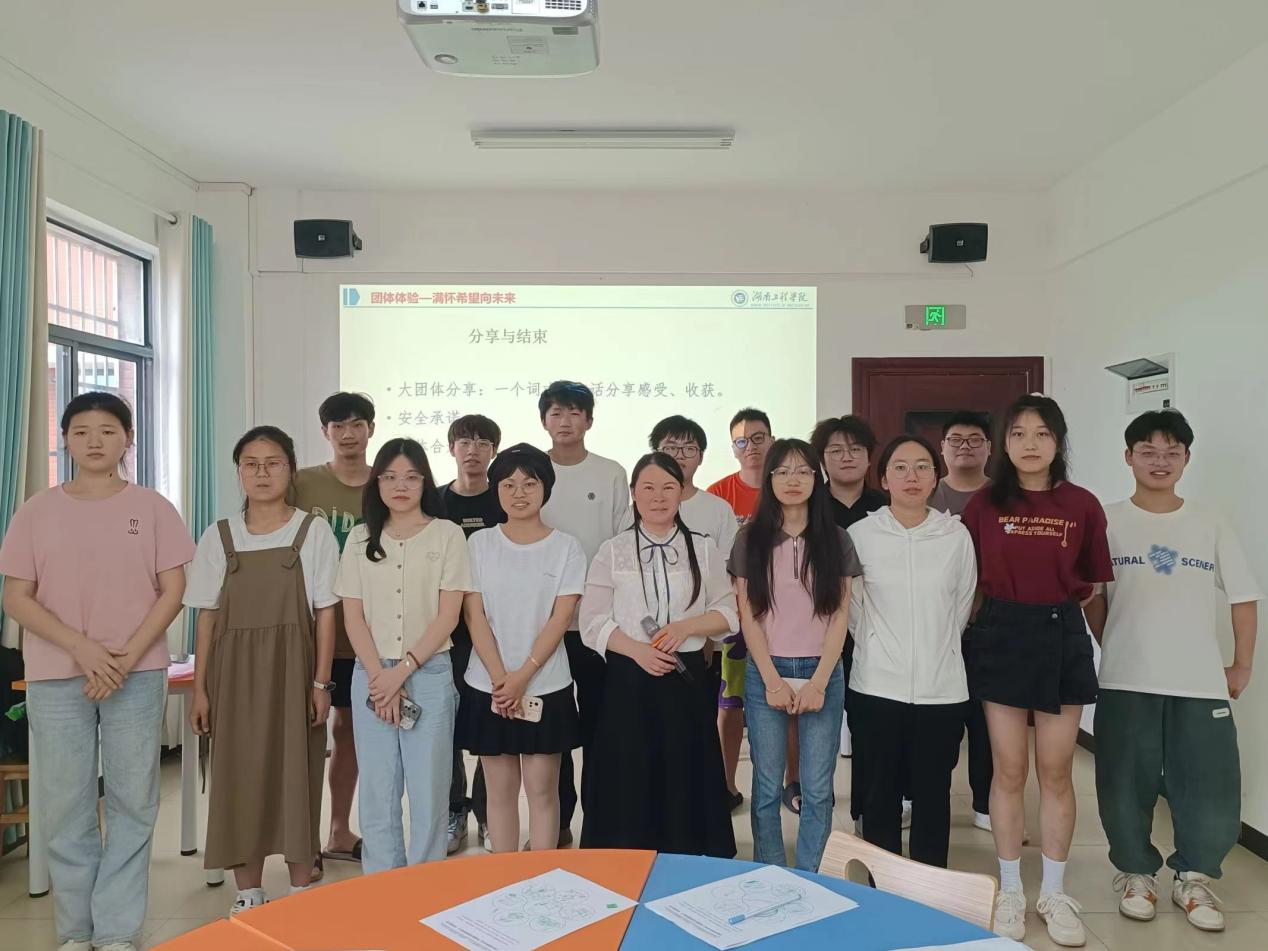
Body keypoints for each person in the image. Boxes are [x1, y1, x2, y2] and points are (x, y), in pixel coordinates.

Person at [0, 393, 193, 951]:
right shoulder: (36, 511)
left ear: (127, 439)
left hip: (137, 672)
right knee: (67, 804)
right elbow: (17, 596)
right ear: (65, 439)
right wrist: (84, 650)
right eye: (81, 430)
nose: (94, 440)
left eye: (108, 430)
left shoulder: (152, 508)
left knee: (134, 801)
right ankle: (75, 931)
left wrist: (124, 658)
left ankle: (116, 931)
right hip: (57, 673)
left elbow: (173, 590)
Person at [1085, 411, 1260, 932]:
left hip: (1198, 680)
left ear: (1186, 459)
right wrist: (1116, 644)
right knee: (1122, 783)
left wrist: (1242, 664)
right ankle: (1136, 873)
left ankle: (1196, 877)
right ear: (1128, 457)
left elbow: (1244, 597)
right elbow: (1094, 597)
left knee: (1209, 783)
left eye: (1171, 452)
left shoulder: (1210, 521)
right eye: (1147, 451)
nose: (1159, 461)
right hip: (1125, 678)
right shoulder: (1106, 521)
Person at [961, 395, 1113, 947]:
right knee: (1007, 769)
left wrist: (1108, 647)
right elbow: (968, 586)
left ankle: (1053, 891)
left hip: (1061, 632)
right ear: (1004, 443)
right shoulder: (982, 505)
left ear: (1058, 441)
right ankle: (1010, 890)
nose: (1030, 443)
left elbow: (1092, 587)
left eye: (1042, 433)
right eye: (1019, 433)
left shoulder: (1082, 505)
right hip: (1000, 632)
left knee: (1056, 770)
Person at [186, 426, 339, 915]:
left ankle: (300, 891)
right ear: (239, 473)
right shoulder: (218, 535)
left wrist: (320, 683)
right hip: (232, 677)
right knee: (237, 775)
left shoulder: (312, 531)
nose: (262, 473)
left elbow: (326, 613)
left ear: (290, 470)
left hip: (293, 671)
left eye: (273, 463)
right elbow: (206, 616)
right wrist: (201, 690)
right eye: (250, 464)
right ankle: (248, 892)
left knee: (298, 773)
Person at [579, 452, 738, 857]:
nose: (658, 496)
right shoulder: (612, 550)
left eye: (668, 487)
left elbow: (728, 613)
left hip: (687, 680)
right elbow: (591, 621)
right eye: (648, 487)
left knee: (686, 771)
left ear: (681, 492)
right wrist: (637, 651)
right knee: (629, 771)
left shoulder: (703, 549)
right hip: (629, 679)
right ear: (633, 493)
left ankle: (685, 857)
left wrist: (687, 627)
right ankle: (629, 860)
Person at [335, 438, 471, 872]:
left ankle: (426, 888)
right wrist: (381, 677)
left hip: (428, 673)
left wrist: (402, 672)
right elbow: (353, 616)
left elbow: (448, 615)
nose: (400, 486)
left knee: (429, 789)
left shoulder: (447, 534)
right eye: (390, 477)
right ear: (376, 483)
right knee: (378, 789)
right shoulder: (359, 538)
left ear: (424, 482)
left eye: (411, 477)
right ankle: (382, 885)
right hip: (371, 673)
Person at [846, 435, 976, 869]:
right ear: (883, 478)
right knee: (879, 794)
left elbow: (961, 605)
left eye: (922, 466)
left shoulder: (955, 536)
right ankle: (883, 888)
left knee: (934, 795)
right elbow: (853, 610)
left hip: (942, 689)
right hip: (876, 686)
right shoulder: (861, 535)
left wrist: (937, 649)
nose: (912, 476)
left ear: (936, 476)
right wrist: (879, 647)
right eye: (900, 467)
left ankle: (928, 886)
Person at [731, 438, 859, 872]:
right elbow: (749, 617)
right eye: (782, 471)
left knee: (818, 788)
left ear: (816, 479)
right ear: (768, 479)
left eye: (803, 471)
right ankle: (768, 872)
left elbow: (840, 617)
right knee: (766, 786)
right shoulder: (750, 539)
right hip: (767, 670)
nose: (793, 480)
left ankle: (811, 875)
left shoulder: (836, 540)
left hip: (823, 671)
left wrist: (820, 682)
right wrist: (771, 680)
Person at [458, 444, 585, 853]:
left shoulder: (566, 547)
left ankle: (542, 879)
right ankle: (505, 878)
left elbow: (560, 619)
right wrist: (502, 680)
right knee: (499, 793)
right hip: (488, 685)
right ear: (495, 489)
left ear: (545, 488)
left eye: (529, 484)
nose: (519, 493)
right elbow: (474, 616)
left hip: (545, 685)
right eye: (508, 484)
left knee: (543, 791)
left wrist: (522, 676)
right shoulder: (479, 544)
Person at [537, 381, 631, 846]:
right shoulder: (529, 471)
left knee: (599, 726)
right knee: (552, 730)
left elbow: (622, 547)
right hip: (543, 625)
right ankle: (555, 824)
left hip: (597, 626)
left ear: (589, 420)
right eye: (556, 413)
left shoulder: (610, 473)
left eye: (575, 412)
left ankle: (599, 825)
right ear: (544, 420)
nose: (565, 421)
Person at [293, 391, 374, 878]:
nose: (348, 434)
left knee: (350, 734)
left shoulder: (385, 484)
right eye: (338, 425)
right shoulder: (302, 483)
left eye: (357, 424)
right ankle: (301, 840)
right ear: (325, 431)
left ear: (371, 430)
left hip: (365, 636)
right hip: (308, 633)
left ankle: (339, 831)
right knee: (305, 735)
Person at [649, 415, 742, 808]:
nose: (680, 455)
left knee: (698, 728)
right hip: (647, 645)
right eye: (671, 447)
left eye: (689, 448)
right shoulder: (638, 507)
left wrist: (704, 636)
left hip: (702, 644)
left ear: (701, 456)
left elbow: (727, 577)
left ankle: (701, 804)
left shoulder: (717, 509)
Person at [810, 415, 888, 824]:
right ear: (822, 459)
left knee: (868, 725)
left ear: (869, 457)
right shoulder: (807, 504)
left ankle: (865, 810)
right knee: (815, 724)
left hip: (872, 630)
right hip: (815, 630)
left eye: (855, 449)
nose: (846, 457)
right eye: (836, 450)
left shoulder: (885, 506)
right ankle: (811, 801)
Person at [438, 414, 505, 853]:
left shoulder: (505, 499)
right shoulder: (434, 501)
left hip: (492, 631)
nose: (473, 450)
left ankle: (487, 812)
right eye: (465, 441)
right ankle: (453, 810)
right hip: (442, 634)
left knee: (487, 722)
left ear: (493, 451)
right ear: (451, 449)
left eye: (483, 442)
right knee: (444, 725)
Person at [929, 410, 995, 835]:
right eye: (955, 439)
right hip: (935, 627)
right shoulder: (925, 494)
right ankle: (923, 796)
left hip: (991, 628)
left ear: (990, 448)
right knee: (938, 720)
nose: (964, 446)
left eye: (974, 439)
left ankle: (986, 803)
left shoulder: (1004, 497)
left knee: (987, 720)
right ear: (942, 448)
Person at [707, 408, 773, 814]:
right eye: (742, 441)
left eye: (758, 437)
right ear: (733, 448)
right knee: (729, 703)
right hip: (733, 617)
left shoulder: (786, 486)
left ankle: (789, 782)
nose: (750, 447)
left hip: (780, 616)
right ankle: (726, 785)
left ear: (772, 440)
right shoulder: (718, 495)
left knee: (781, 700)